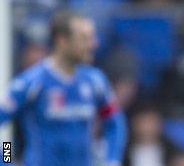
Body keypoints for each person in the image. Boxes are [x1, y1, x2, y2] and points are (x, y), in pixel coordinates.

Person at [0, 11, 127, 166]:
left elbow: (114, 123)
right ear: (62, 40)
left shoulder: (95, 81)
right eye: (84, 38)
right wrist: (7, 160)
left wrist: (112, 160)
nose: (94, 44)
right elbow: (5, 134)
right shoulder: (32, 82)